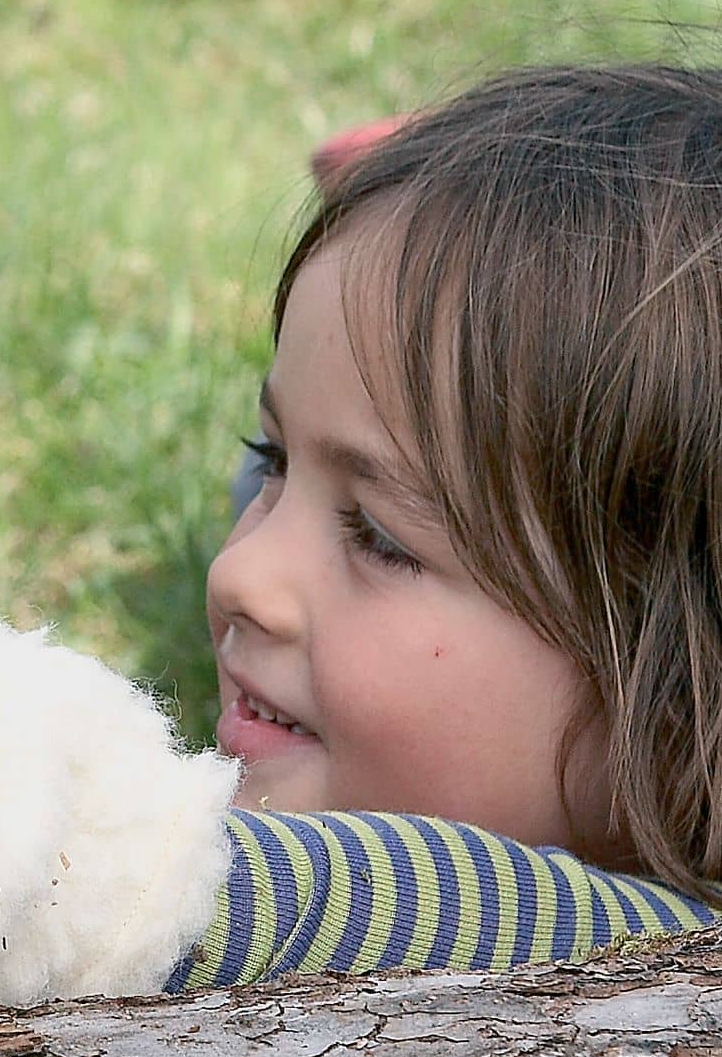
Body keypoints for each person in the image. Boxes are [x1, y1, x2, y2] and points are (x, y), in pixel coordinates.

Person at [168, 64, 722, 991]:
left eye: (380, 538)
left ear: (675, 714)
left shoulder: (659, 965)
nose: (240, 576)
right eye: (275, 459)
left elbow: (216, 899)